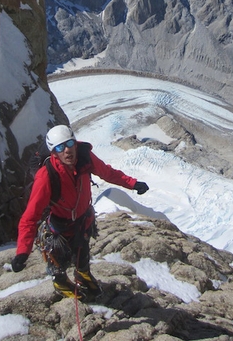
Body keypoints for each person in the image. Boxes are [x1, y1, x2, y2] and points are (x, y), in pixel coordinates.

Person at [11, 124, 149, 300]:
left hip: (84, 219)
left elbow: (107, 172)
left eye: (69, 144)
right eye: (60, 148)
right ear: (53, 153)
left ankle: (83, 274)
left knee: (82, 250)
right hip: (60, 225)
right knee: (59, 257)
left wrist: (132, 183)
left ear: (75, 143)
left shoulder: (85, 157)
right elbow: (30, 218)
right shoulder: (46, 176)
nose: (67, 151)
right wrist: (22, 252)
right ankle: (60, 281)